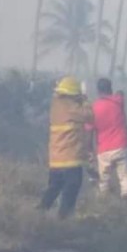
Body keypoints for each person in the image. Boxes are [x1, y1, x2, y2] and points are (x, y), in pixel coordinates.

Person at [38, 76, 94, 219]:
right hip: (70, 159)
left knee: (54, 188)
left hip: (56, 159)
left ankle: (39, 212)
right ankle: (63, 219)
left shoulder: (56, 106)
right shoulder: (72, 108)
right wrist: (85, 100)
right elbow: (89, 115)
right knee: (71, 189)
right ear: (74, 95)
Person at [90, 78, 127, 199]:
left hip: (104, 149)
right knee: (125, 177)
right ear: (110, 89)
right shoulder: (118, 101)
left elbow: (88, 132)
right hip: (121, 146)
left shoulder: (93, 108)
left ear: (98, 91)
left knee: (103, 180)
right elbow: (120, 94)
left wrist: (89, 150)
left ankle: (104, 203)